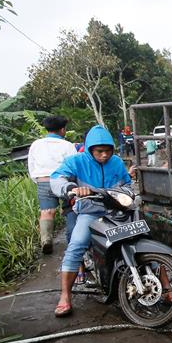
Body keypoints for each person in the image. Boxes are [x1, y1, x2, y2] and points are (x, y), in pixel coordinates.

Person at [50, 126, 132, 317]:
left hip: (117, 210)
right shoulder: (76, 161)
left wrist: (128, 192)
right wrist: (72, 188)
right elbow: (56, 178)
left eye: (107, 151)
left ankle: (166, 287)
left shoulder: (117, 162)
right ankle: (65, 296)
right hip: (90, 211)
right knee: (77, 244)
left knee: (140, 235)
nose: (104, 155)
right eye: (99, 151)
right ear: (90, 149)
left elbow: (128, 183)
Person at [27, 116, 78, 254]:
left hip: (43, 180)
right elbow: (74, 166)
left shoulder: (36, 144)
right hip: (64, 181)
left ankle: (46, 240)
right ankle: (73, 238)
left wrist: (38, 180)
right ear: (62, 130)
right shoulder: (68, 145)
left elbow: (31, 165)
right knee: (71, 209)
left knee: (47, 212)